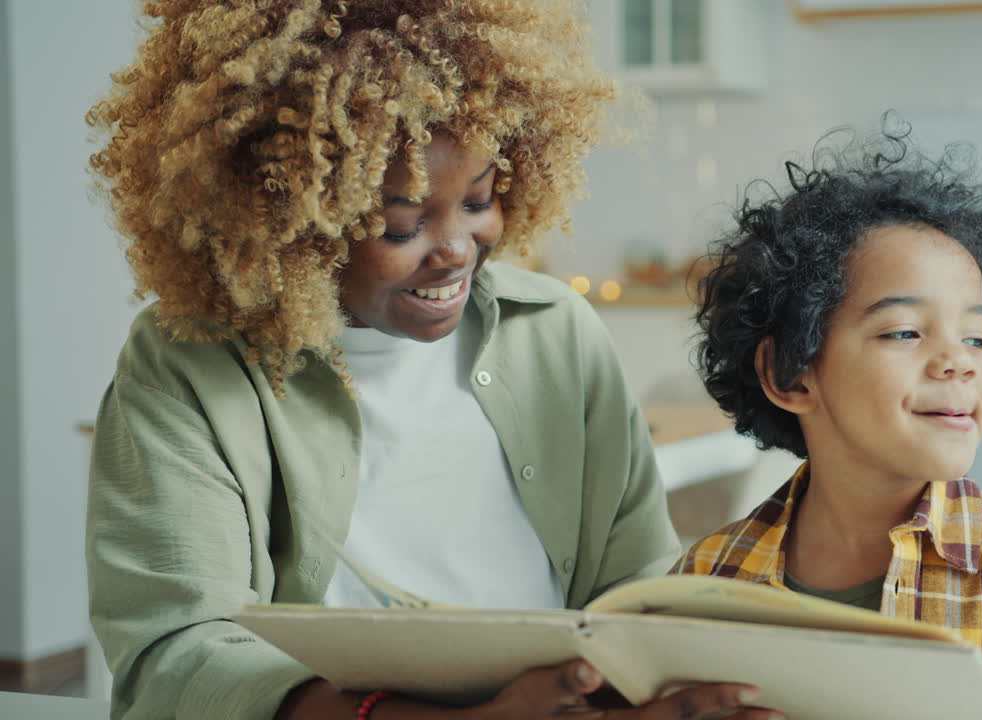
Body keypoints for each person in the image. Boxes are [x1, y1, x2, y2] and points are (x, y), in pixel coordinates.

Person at [84, 2, 778, 720]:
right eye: (403, 224)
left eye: (478, 199)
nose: (456, 250)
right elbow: (176, 655)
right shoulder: (188, 364)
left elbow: (635, 578)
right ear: (288, 216)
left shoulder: (557, 332)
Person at [673, 126, 982, 720]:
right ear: (791, 374)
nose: (959, 361)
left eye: (977, 338)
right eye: (904, 331)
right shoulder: (707, 577)